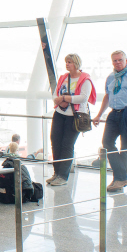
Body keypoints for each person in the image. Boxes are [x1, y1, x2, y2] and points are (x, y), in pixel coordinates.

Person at [92, 50, 127, 192]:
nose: (117, 62)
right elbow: (107, 96)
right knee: (107, 142)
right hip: (114, 113)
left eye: (120, 60)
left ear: (126, 60)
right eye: (115, 60)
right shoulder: (111, 77)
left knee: (126, 145)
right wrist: (99, 114)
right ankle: (121, 178)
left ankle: (119, 179)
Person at [48, 53, 96, 187]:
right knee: (55, 142)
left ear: (76, 63)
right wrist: (59, 100)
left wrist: (65, 98)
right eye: (66, 62)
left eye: (70, 62)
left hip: (74, 116)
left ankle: (63, 176)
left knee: (67, 145)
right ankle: (56, 173)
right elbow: (55, 94)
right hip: (60, 113)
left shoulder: (85, 79)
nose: (67, 64)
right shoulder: (63, 78)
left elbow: (83, 98)